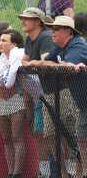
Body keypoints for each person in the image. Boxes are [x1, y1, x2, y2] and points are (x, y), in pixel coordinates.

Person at [24, 15, 87, 177]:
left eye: (57, 29)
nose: (53, 32)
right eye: (52, 28)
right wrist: (43, 63)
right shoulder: (60, 47)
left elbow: (66, 65)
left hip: (78, 100)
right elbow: (42, 62)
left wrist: (43, 63)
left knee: (78, 137)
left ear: (69, 31)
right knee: (81, 139)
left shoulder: (77, 44)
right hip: (83, 103)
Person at [18, 7, 55, 177]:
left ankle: (66, 171)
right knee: (39, 134)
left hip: (53, 92)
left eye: (28, 18)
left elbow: (45, 62)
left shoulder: (46, 37)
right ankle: (45, 172)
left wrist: (30, 63)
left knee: (54, 135)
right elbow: (24, 61)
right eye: (22, 18)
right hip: (38, 94)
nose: (23, 21)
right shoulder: (29, 39)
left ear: (38, 21)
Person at [0, 29, 25, 178]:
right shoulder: (1, 58)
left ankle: (17, 173)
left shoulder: (18, 54)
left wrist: (10, 66)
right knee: (6, 139)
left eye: (4, 40)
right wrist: (2, 65)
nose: (0, 43)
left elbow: (10, 82)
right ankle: (10, 171)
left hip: (16, 99)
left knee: (16, 137)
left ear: (14, 43)